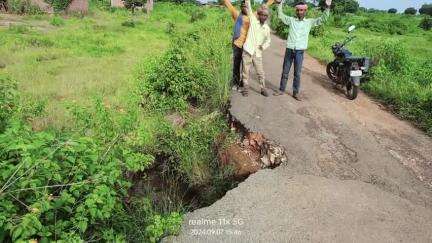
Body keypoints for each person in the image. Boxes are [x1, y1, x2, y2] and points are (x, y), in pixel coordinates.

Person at [274, 0, 331, 100]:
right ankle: (281, 90)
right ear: (296, 11)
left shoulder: (309, 22)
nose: (300, 12)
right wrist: (279, 4)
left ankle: (295, 93)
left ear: (305, 11)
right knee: (285, 71)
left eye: (302, 10)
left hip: (299, 52)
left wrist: (327, 7)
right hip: (290, 49)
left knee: (297, 73)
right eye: (298, 10)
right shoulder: (291, 20)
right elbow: (281, 16)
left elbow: (322, 19)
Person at [241, 0, 274, 97]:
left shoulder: (267, 28)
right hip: (248, 50)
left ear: (267, 17)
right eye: (262, 15)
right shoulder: (253, 21)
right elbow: (248, 6)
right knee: (245, 71)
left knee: (260, 72)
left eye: (265, 16)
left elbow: (268, 40)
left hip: (257, 53)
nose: (263, 17)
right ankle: (245, 88)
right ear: (259, 15)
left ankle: (263, 88)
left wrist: (263, 46)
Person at [223, 0, 250, 91]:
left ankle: (243, 82)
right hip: (237, 44)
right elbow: (228, 4)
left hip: (247, 45)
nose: (244, 8)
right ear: (241, 7)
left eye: (246, 6)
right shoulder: (237, 14)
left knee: (245, 66)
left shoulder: (252, 17)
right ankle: (235, 83)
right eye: (243, 6)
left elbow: (264, 9)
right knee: (236, 65)